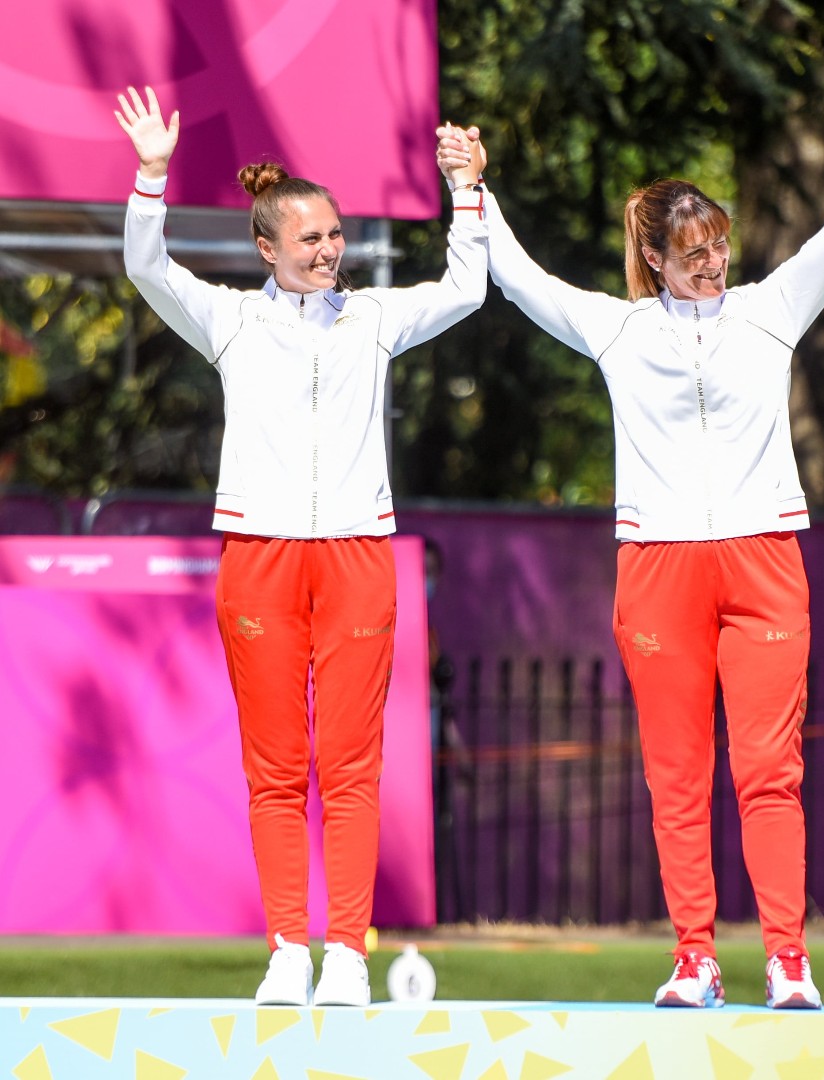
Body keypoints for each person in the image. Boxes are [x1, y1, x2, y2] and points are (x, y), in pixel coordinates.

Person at [437, 63, 824, 1009]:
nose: (712, 262)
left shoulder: (771, 312)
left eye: (719, 244)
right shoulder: (619, 332)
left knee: (768, 772)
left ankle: (789, 961)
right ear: (655, 258)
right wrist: (471, 189)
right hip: (658, 566)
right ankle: (694, 958)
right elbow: (521, 277)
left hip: (763, 562)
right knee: (676, 776)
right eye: (692, 250)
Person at [115, 86, 487, 1007]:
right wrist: (151, 177)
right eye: (310, 238)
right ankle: (288, 948)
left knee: (352, 766)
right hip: (261, 556)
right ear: (267, 248)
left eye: (334, 234)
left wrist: (469, 193)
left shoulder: (374, 320)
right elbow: (147, 268)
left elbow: (468, 287)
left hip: (359, 553)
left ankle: (349, 957)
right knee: (275, 767)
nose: (330, 250)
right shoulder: (232, 321)